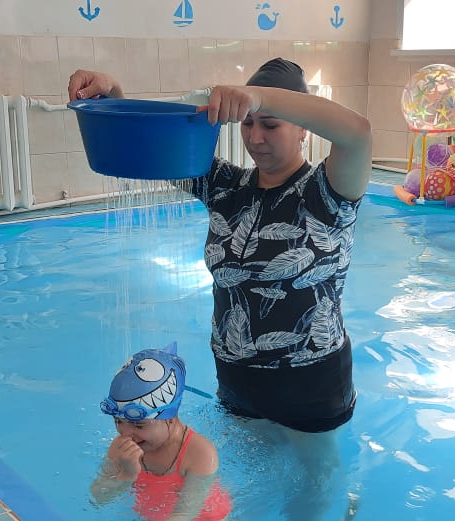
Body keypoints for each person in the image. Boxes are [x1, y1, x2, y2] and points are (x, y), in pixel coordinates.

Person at [68, 57, 372, 434]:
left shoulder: (328, 193)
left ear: (302, 130)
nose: (255, 138)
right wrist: (113, 94)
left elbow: (358, 133)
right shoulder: (226, 186)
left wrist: (258, 97)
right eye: (248, 123)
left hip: (312, 386)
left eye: (271, 124)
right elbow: (151, 147)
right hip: (236, 380)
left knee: (316, 474)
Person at [90, 343, 231, 521]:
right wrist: (125, 476)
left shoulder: (199, 453)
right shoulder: (121, 448)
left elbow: (185, 514)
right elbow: (97, 497)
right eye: (118, 421)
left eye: (138, 425)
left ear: (170, 417)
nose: (125, 434)